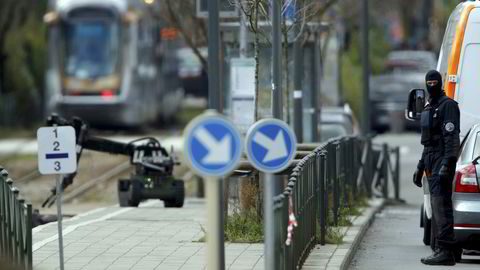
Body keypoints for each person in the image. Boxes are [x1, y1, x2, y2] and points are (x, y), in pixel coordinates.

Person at [413, 70, 460, 265]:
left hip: (442, 159)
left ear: (440, 84)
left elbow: (451, 139)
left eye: (434, 82)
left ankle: (445, 250)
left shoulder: (447, 106)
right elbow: (427, 143)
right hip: (431, 159)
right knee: (436, 204)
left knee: (441, 205)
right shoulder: (428, 107)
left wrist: (447, 165)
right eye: (428, 82)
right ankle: (448, 249)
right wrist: (420, 166)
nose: (431, 85)